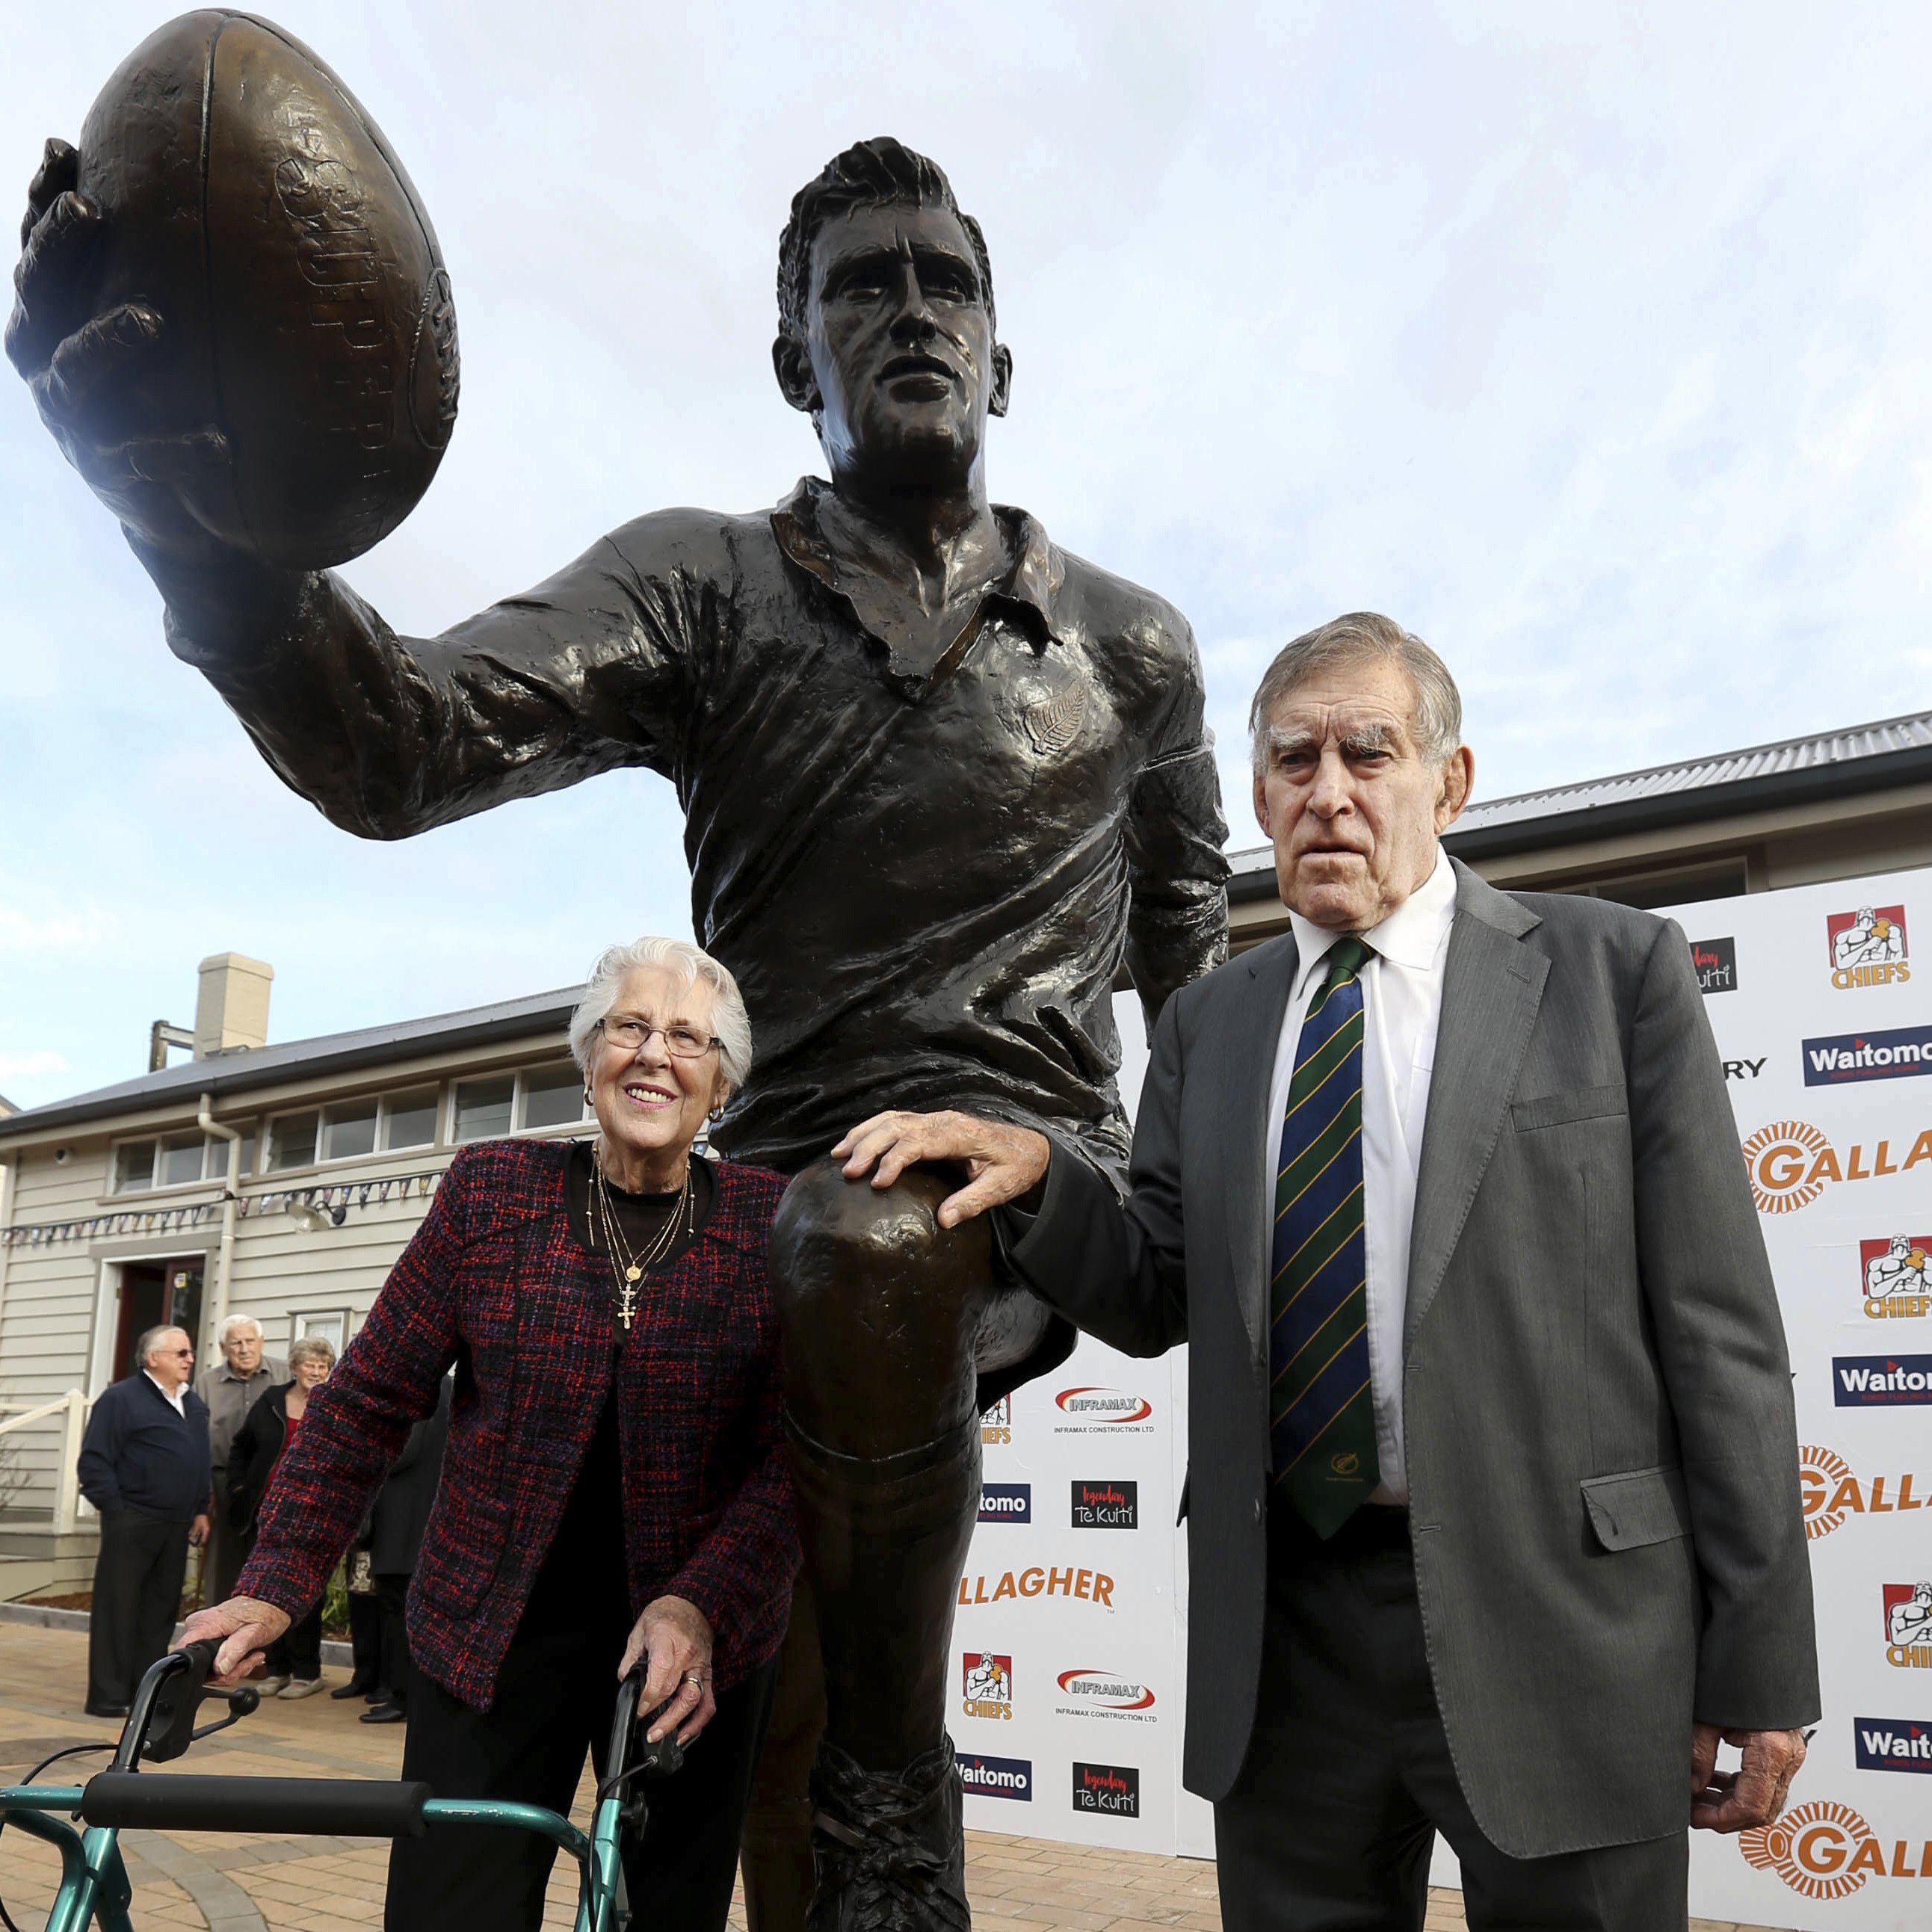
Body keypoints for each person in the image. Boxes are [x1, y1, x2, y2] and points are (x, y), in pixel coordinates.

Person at [7, 133, 1227, 1929]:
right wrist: (188, 519)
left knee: (868, 1248)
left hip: (1015, 1195)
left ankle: (887, 1813)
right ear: (793, 362)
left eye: (945, 285)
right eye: (861, 290)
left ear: (1002, 354)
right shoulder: (705, 583)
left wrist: (1191, 1222)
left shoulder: (1134, 646)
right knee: (750, 1566)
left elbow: (1194, 951)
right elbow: (407, 741)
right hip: (779, 1208)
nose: (911, 315)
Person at [834, 613, 1822, 1931]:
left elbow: (1721, 1334)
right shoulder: (1207, 1022)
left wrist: (1758, 1657)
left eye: (1370, 752)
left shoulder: (1612, 971)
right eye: (1295, 761)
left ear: (1449, 783)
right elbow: (1157, 1288)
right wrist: (1043, 1176)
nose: (1330, 791)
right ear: (1259, 799)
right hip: (1288, 1638)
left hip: (1565, 1623)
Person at [181, 937, 797, 1932]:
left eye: (688, 1038)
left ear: (720, 1082)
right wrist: (277, 1578)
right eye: (629, 1026)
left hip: (689, 1641)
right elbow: (367, 1399)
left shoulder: (772, 1224)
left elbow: (795, 1458)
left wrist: (703, 1601)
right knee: (451, 1907)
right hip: (487, 1630)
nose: (654, 1053)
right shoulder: (492, 1192)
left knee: (666, 1912)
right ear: (588, 1054)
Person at [75, 1324, 212, 1717]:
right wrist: (115, 1510)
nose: (190, 1359)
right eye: (181, 1353)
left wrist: (201, 1508)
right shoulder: (121, 1399)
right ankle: (107, 1698)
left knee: (160, 1612)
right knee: (118, 1608)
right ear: (153, 1358)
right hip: (132, 1519)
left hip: (177, 1522)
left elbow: (199, 1459)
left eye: (190, 1352)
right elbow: (95, 1459)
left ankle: (145, 1694)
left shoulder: (193, 1403)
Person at [227, 1336, 338, 1697]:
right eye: (310, 1365)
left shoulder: (335, 1405)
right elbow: (242, 1446)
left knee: (304, 1593)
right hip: (266, 1513)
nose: (317, 1372)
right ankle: (277, 1669)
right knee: (264, 1590)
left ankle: (307, 1672)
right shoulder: (272, 1400)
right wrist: (239, 1487)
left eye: (323, 1366)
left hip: (312, 1514)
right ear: (294, 1367)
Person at [360, 1374, 454, 1724]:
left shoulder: (415, 1389)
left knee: (398, 1614)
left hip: (402, 1528)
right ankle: (408, 1697)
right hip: (427, 1525)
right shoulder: (453, 1389)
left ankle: (402, 1698)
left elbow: (402, 1452)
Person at [194, 1315, 286, 1606]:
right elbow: (196, 1441)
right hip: (223, 1482)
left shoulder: (284, 1375)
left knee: (272, 1562)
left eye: (250, 1341)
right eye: (236, 1343)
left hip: (274, 1481)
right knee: (224, 1563)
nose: (244, 1349)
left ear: (262, 1342)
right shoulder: (207, 1384)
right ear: (223, 1348)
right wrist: (204, 1494)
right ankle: (220, 1625)